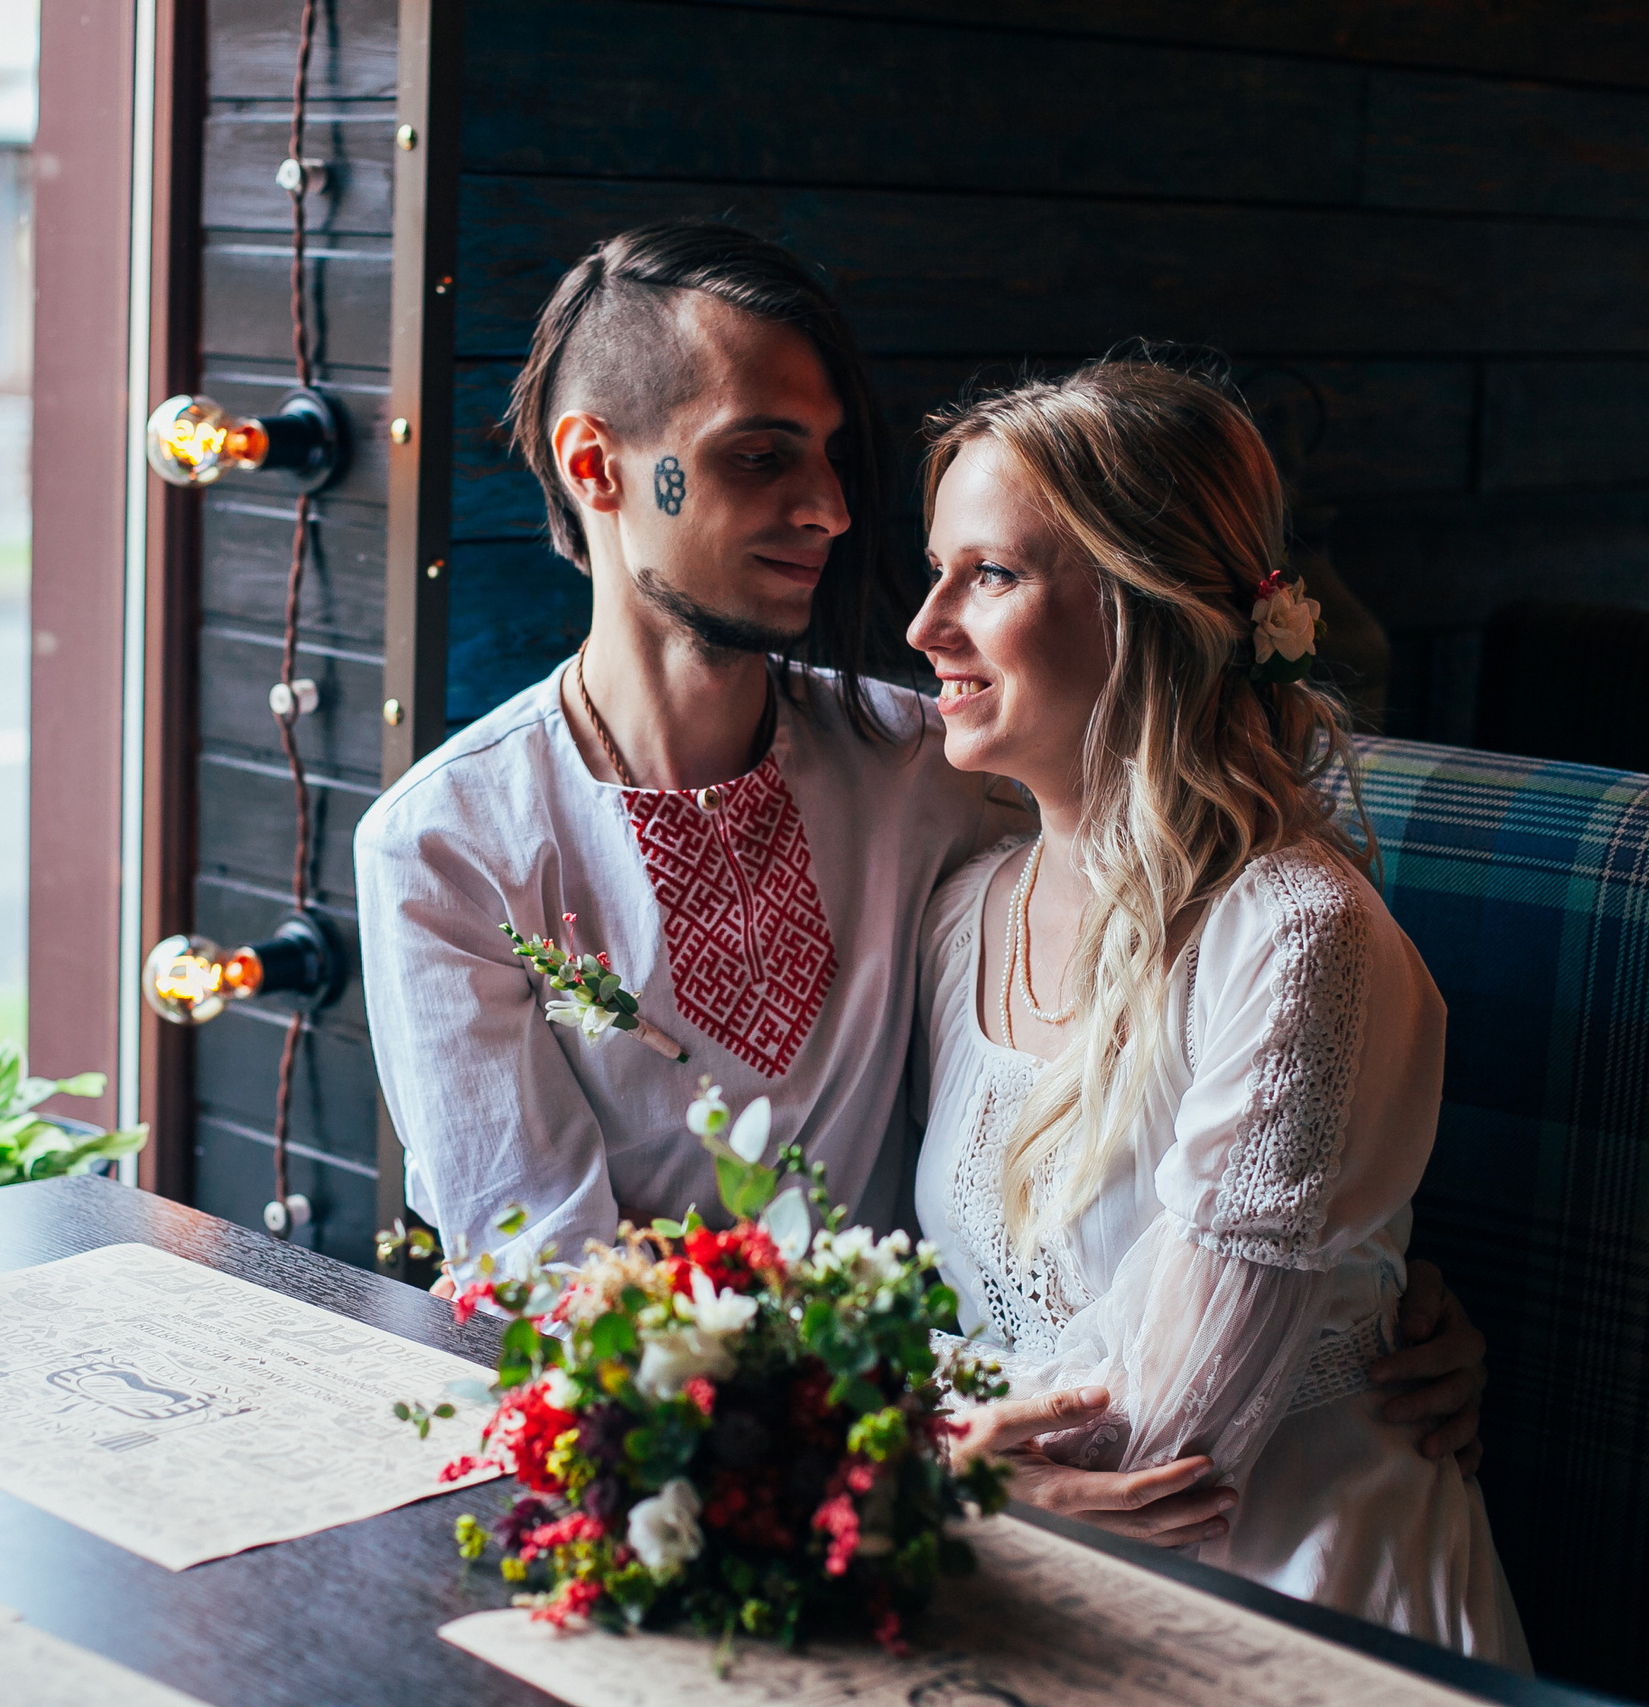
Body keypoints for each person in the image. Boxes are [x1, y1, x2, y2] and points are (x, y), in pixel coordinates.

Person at [354, 219, 1490, 1556]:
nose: (831, 510)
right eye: (761, 454)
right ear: (598, 466)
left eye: (833, 456)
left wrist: (1359, 1289)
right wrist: (915, 1476)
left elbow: (1197, 871)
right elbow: (548, 1301)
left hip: (1085, 1490)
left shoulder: (932, 765)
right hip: (710, 1500)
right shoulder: (448, 849)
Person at [913, 359, 1527, 1664]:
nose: (926, 626)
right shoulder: (962, 911)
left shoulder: (1295, 936)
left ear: (1145, 610)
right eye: (936, 571)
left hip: (1285, 1594)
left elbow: (1163, 1452)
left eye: (991, 575)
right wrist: (928, 1474)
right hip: (1008, 1558)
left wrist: (911, 1471)